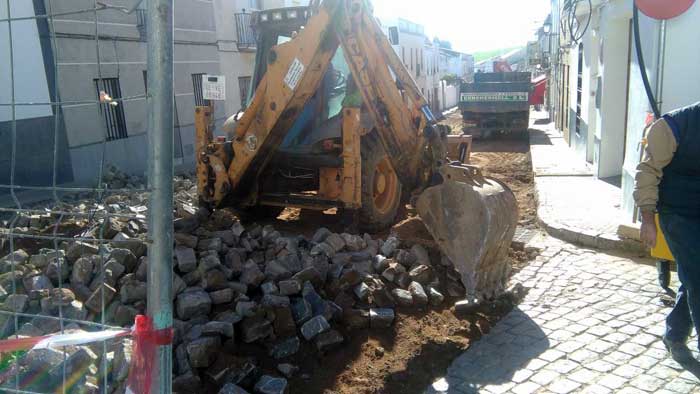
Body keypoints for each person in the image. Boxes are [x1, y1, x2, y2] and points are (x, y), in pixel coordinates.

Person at [634, 101, 700, 364]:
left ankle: (674, 333)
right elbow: (647, 173)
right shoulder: (672, 126)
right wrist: (648, 218)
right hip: (678, 213)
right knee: (697, 275)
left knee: (694, 277)